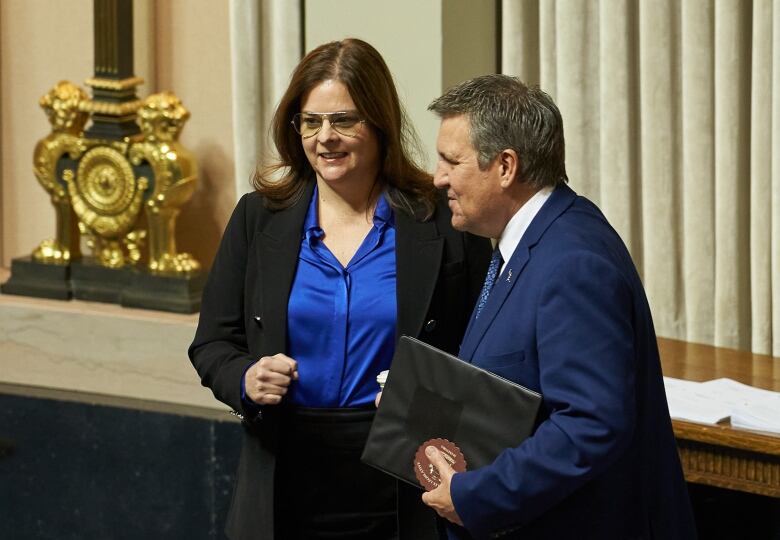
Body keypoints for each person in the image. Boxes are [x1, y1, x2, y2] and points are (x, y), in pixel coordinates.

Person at [188, 38, 491, 540]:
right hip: (284, 474)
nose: (325, 137)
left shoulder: (441, 221)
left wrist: (424, 397)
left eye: (344, 120)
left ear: (378, 121)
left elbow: (482, 353)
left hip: (404, 477)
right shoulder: (257, 218)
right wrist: (245, 378)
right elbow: (212, 343)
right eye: (310, 122)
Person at [421, 74, 697, 539]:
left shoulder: (572, 262)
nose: (438, 177)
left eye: (452, 161)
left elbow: (589, 424)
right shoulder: (532, 237)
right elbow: (513, 384)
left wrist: (478, 494)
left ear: (506, 166)